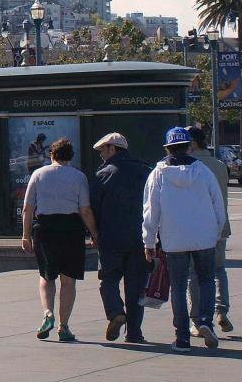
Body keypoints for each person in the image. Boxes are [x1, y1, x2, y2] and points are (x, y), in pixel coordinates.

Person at [142, 126, 226, 353]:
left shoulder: (158, 174)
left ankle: (182, 339)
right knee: (207, 280)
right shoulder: (203, 171)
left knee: (178, 287)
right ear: (189, 146)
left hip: (174, 239)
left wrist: (149, 242)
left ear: (167, 148)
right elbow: (218, 205)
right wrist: (216, 232)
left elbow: (151, 211)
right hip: (205, 237)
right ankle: (206, 322)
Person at [21, 139, 99, 343]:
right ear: (70, 156)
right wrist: (94, 233)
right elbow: (85, 209)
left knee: (46, 276)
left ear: (51, 155)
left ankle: (47, 313)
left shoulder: (38, 174)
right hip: (71, 229)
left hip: (45, 229)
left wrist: (25, 235)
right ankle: (64, 327)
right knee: (68, 279)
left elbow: (28, 209)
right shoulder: (79, 177)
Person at [89, 132, 152, 343]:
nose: (101, 156)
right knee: (136, 287)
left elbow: (92, 207)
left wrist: (93, 232)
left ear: (113, 149)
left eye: (103, 150)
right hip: (140, 239)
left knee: (108, 279)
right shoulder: (146, 171)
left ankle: (116, 312)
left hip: (111, 238)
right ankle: (134, 333)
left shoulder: (104, 175)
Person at [186, 126, 232, 335]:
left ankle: (197, 320)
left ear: (193, 144)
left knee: (195, 275)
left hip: (197, 230)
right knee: (219, 270)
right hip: (221, 227)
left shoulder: (191, 167)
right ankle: (221, 311)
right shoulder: (220, 165)